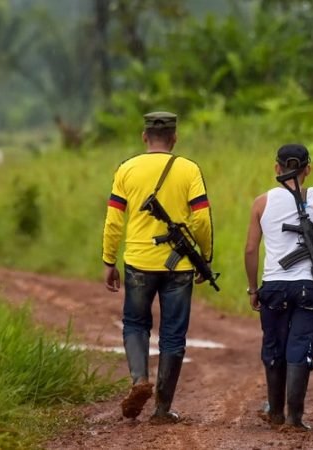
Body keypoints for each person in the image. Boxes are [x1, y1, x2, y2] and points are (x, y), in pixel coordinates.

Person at [102, 111, 214, 424]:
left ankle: (140, 380)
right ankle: (163, 409)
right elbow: (202, 218)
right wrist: (204, 257)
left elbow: (114, 220)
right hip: (179, 265)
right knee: (173, 333)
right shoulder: (189, 169)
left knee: (136, 324)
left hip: (138, 261)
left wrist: (109, 260)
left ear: (144, 137)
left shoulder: (126, 169)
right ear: (174, 138)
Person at [244, 144, 313, 429]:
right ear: (307, 169)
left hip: (273, 285)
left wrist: (253, 289)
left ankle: (276, 413)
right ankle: (295, 419)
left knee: (274, 346)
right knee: (301, 347)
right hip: (306, 286)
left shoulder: (261, 202)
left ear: (277, 168)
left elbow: (250, 250)